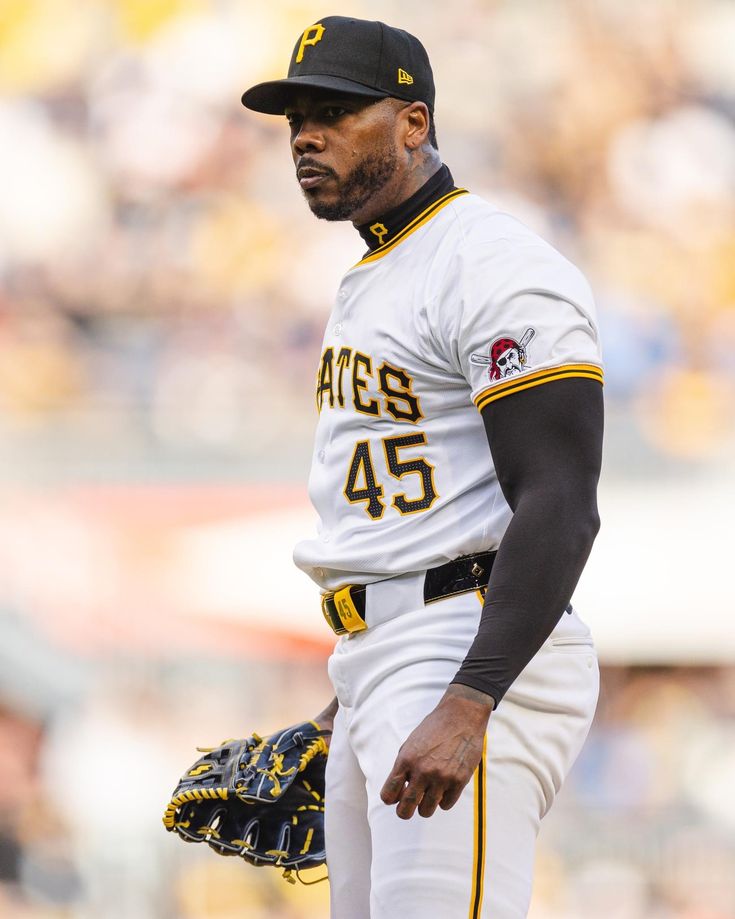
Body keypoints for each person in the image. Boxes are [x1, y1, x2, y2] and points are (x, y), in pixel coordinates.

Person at [242, 15, 603, 919]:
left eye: (333, 111)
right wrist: (340, 705)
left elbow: (560, 499)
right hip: (380, 658)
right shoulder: (376, 269)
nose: (306, 137)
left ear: (412, 122)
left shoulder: (490, 259)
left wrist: (470, 698)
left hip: (467, 646)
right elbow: (406, 515)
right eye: (295, 119)